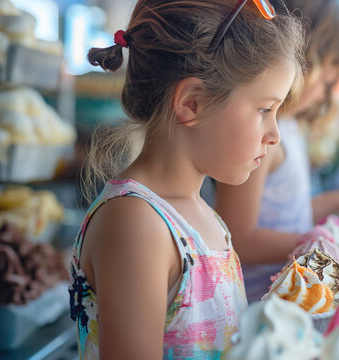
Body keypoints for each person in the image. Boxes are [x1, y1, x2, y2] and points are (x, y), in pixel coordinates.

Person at [68, 0, 304, 358]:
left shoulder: (204, 216)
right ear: (192, 103)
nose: (275, 135)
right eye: (264, 110)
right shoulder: (137, 223)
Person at [215, 0, 339, 303]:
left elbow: (287, 213)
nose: (326, 96)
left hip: (297, 297)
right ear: (303, 61)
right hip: (262, 303)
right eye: (328, 82)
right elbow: (238, 239)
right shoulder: (265, 137)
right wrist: (319, 243)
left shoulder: (288, 128)